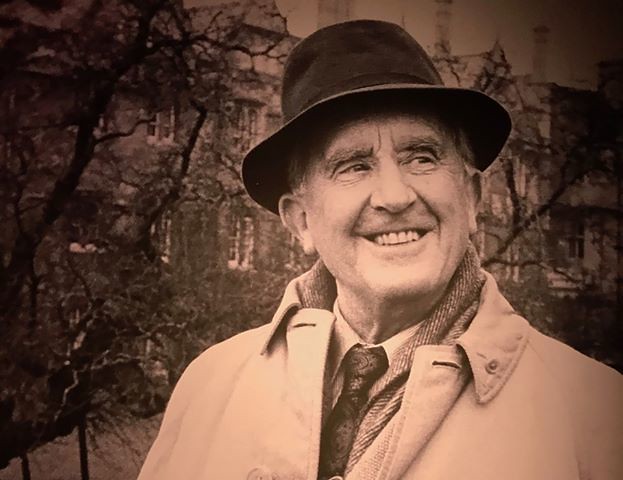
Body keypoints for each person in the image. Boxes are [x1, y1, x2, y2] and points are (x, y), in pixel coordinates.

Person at [138, 20, 622, 480]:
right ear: (301, 220)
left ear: (472, 198)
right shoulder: (210, 388)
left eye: (422, 157)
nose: (394, 196)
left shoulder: (596, 417)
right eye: (354, 166)